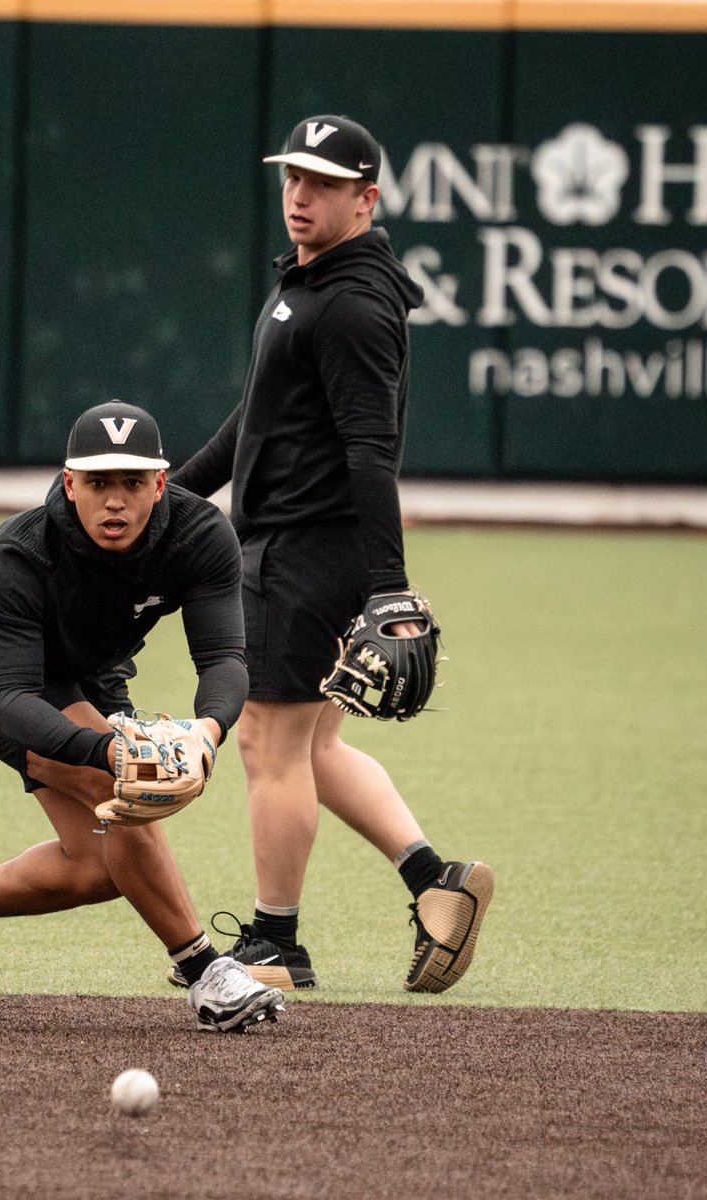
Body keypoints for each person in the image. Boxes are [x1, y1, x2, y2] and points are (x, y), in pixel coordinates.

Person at [170, 115, 494, 994]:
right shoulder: (310, 282)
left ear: (367, 198)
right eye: (291, 180)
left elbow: (369, 448)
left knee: (267, 748)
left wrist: (387, 586)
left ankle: (276, 943)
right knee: (311, 748)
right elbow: (257, 420)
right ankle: (438, 881)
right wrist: (176, 492)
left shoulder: (351, 301)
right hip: (293, 547)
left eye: (321, 184)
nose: (300, 197)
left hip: (305, 556)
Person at [0, 401, 286, 1033]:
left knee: (96, 867)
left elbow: (224, 658)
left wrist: (205, 734)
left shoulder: (198, 534)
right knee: (124, 787)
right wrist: (112, 753)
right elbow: (17, 700)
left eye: (132, 482)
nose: (115, 501)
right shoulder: (19, 556)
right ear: (69, 482)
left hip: (89, 666)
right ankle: (208, 976)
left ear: (161, 484)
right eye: (99, 482)